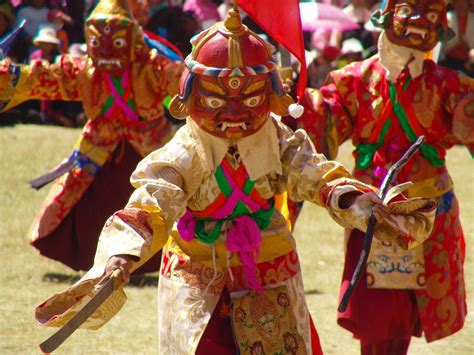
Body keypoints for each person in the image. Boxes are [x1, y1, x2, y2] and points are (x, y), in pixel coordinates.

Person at [34, 5, 437, 353]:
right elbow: (151, 200)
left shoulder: (280, 137)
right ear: (190, 95)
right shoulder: (184, 149)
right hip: (196, 271)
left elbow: (316, 174)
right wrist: (121, 255)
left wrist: (358, 203)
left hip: (269, 267)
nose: (232, 112)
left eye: (249, 98)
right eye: (214, 99)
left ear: (270, 93)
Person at [297, 0, 474, 353]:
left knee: (410, 311)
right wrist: (296, 105)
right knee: (376, 317)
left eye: (433, 12)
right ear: (387, 14)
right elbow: (322, 121)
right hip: (373, 210)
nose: (421, 19)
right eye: (410, 8)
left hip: (429, 211)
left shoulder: (451, 85)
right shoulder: (352, 79)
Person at [0, 0, 183, 272]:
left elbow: (182, 80)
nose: (107, 50)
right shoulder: (85, 70)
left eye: (117, 43)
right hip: (99, 145)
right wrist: (12, 76)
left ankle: (155, 260)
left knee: (156, 205)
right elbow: (49, 77)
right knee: (93, 211)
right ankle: (98, 260)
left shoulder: (152, 66)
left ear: (132, 39)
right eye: (98, 42)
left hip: (148, 147)